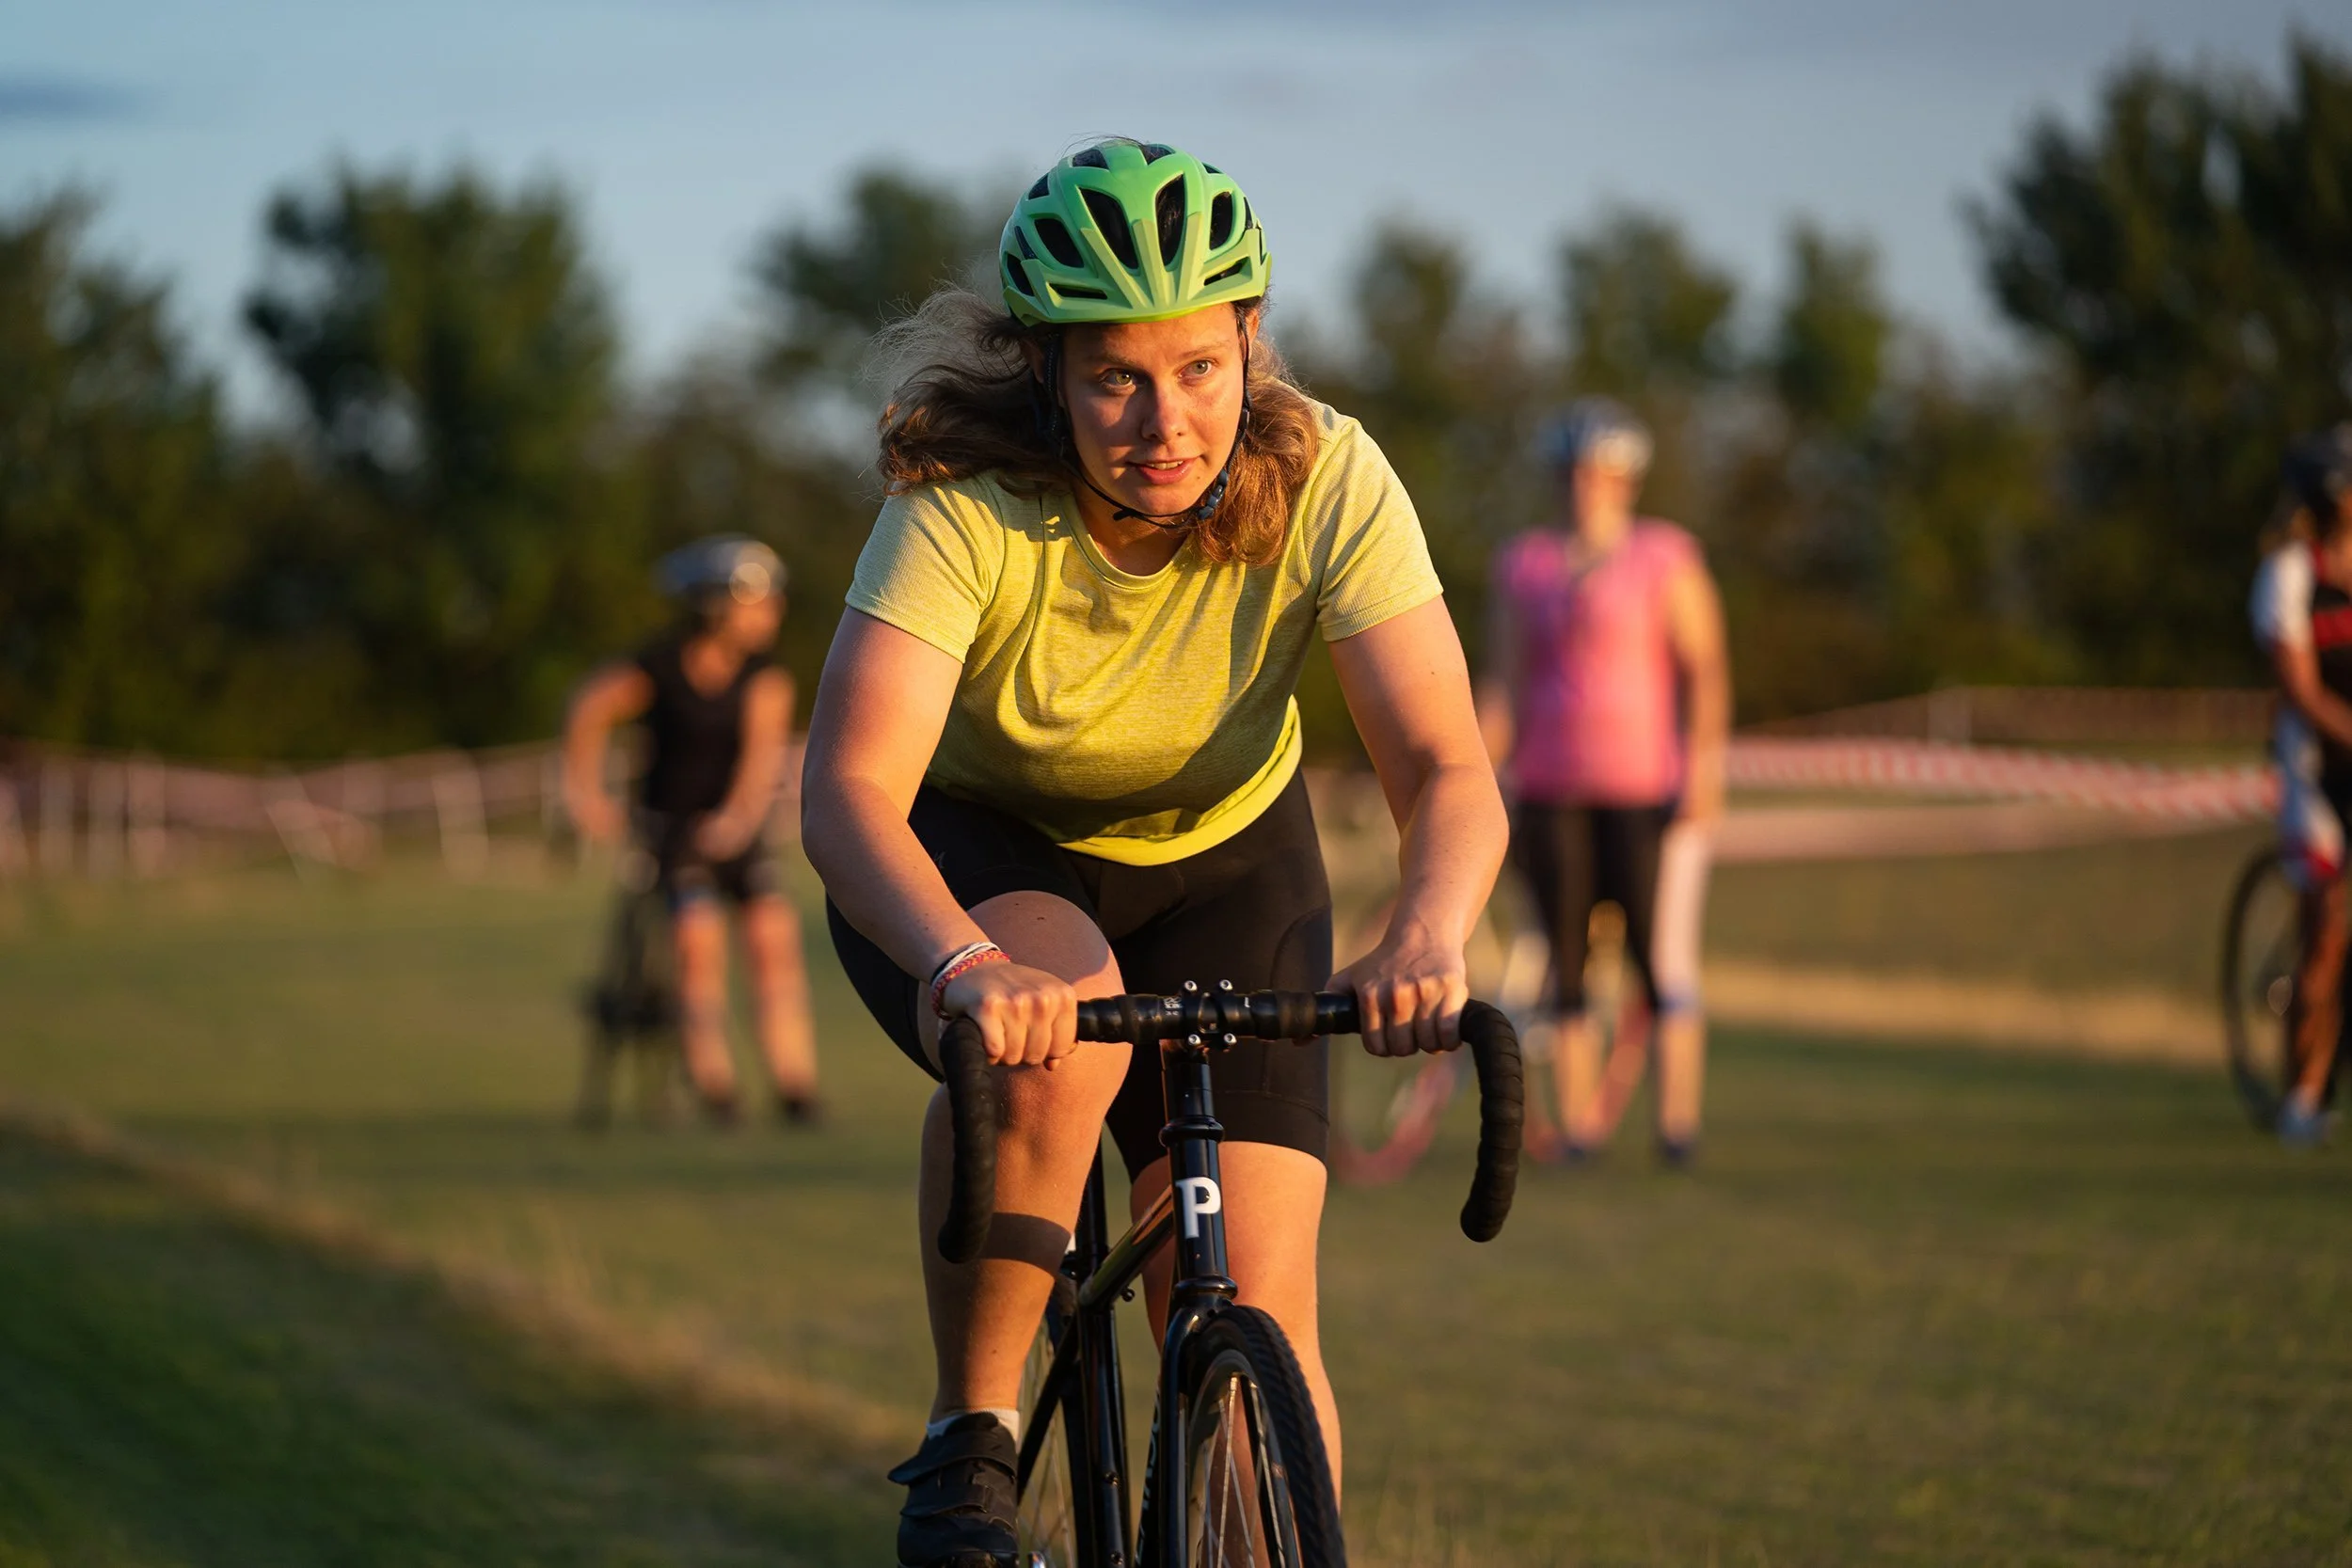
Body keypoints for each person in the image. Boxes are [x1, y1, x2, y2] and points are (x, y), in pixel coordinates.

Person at [799, 139, 1506, 1566]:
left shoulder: (1329, 477)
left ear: (1250, 339)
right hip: (980, 855)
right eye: (1115, 375)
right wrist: (963, 960)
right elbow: (849, 788)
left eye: (1197, 367)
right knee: (1055, 1045)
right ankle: (971, 1437)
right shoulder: (966, 501)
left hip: (1230, 863)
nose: (1163, 420)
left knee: (1251, 1287)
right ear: (1046, 370)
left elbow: (1446, 766)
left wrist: (1431, 929)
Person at [1478, 399, 1730, 1166]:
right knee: (1567, 959)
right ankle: (1579, 1128)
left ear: (1626, 480)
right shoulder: (1526, 564)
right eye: (1573, 473)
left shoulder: (1665, 558)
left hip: (1645, 788)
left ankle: (1675, 1126)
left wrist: (1706, 771)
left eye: (1600, 473)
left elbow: (1704, 671)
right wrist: (1477, 779)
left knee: (1660, 959)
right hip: (1552, 788)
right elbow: (1505, 682)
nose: (1584, 487)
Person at [563, 535, 823, 1125]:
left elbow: (758, 765)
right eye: (760, 601)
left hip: (738, 833)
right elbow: (588, 707)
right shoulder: (658, 665)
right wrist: (585, 796)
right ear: (718, 603)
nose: (772, 614)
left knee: (773, 946)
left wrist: (733, 823)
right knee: (696, 948)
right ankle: (716, 1087)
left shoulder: (766, 676)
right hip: (672, 837)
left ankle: (795, 1086)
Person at [2249, 423, 2352, 1148]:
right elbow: (2300, 688)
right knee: (2324, 931)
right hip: (2315, 768)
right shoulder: (2289, 574)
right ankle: (2303, 1097)